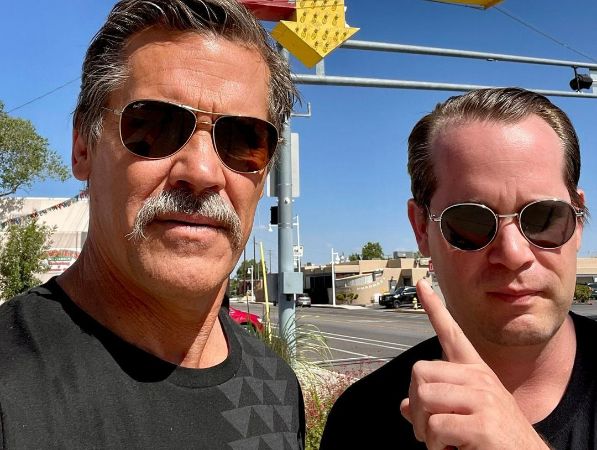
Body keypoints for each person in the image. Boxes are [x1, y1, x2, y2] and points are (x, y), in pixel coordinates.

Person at [0, 1, 305, 448]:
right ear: (83, 146)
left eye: (243, 139)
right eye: (154, 126)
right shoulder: (11, 389)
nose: (202, 171)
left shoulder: (276, 387)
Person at [321, 87, 597, 449]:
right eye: (472, 222)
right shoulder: (363, 421)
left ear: (577, 222)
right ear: (421, 228)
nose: (513, 253)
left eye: (544, 217)